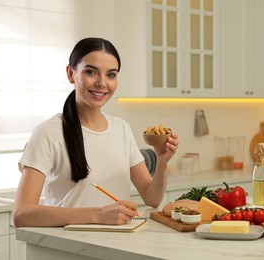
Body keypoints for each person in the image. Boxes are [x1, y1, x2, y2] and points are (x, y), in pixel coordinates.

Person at [13, 37, 179, 227]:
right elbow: (21, 214)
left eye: (111, 75)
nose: (102, 83)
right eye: (91, 72)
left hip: (118, 247)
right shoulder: (48, 132)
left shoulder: (122, 129)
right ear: (70, 73)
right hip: (69, 249)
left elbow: (152, 198)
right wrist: (98, 215)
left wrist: (162, 162)